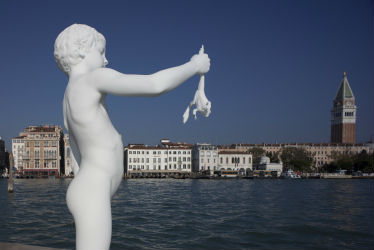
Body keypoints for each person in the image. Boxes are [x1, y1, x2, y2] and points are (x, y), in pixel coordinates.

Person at [54, 24, 210, 250]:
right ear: (82, 51)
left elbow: (77, 155)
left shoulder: (67, 98)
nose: (106, 60)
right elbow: (154, 84)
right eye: (101, 52)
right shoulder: (93, 78)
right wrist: (194, 66)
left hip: (87, 188)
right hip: (93, 190)